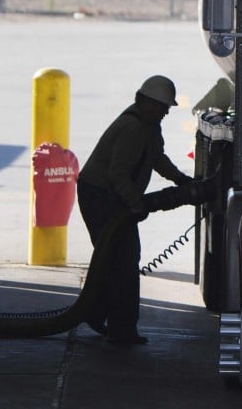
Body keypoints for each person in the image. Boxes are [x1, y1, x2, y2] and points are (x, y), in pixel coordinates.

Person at [77, 75, 195, 345]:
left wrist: (181, 180)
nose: (166, 112)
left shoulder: (149, 126)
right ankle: (119, 327)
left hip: (109, 194)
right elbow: (118, 174)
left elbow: (156, 158)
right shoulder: (133, 127)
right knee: (121, 260)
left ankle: (102, 315)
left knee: (120, 258)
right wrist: (135, 204)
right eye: (163, 106)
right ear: (146, 102)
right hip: (100, 195)